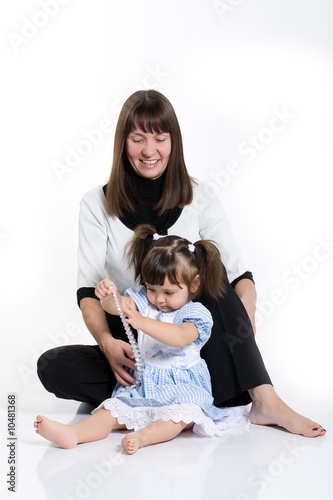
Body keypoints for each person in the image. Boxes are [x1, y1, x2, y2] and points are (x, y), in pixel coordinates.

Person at [37, 89, 325, 438]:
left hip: (193, 349)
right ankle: (162, 398)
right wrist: (106, 344)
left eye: (160, 138)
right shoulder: (96, 204)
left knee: (214, 280)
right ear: (122, 142)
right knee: (53, 367)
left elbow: (240, 278)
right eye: (138, 139)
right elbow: (88, 292)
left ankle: (264, 399)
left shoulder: (199, 196)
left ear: (173, 142)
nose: (149, 151)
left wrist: (244, 319)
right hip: (138, 348)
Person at [34, 226, 249, 453]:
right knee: (113, 410)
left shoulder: (195, 313)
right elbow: (119, 307)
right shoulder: (145, 303)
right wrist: (109, 296)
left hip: (183, 385)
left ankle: (144, 437)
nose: (158, 298)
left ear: (193, 285)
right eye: (151, 288)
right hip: (145, 382)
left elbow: (180, 337)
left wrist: (142, 322)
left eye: (168, 292)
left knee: (179, 416)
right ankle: (73, 434)